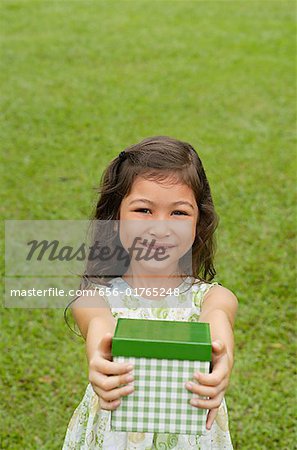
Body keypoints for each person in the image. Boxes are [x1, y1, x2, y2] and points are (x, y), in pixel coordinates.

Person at [62, 136, 238, 449]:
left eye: (179, 213)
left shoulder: (213, 297)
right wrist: (99, 359)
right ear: (115, 219)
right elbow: (99, 328)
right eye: (143, 210)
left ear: (200, 221)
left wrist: (222, 357)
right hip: (116, 436)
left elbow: (218, 323)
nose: (160, 227)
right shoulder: (95, 298)